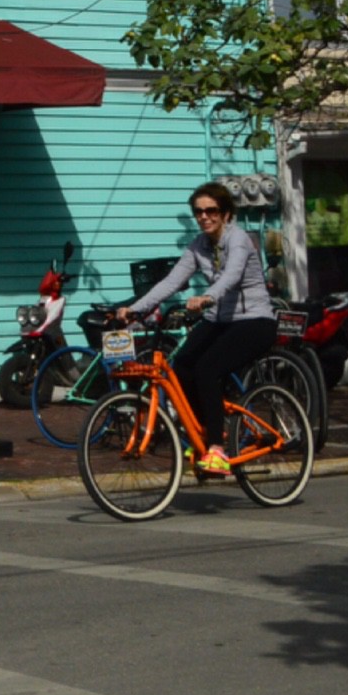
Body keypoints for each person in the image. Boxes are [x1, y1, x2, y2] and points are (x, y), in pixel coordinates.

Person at [112, 181, 275, 476]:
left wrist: (207, 297)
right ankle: (202, 433)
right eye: (198, 212)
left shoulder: (239, 240)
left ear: (225, 214)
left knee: (207, 370)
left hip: (254, 321)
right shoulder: (199, 246)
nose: (204, 217)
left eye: (211, 210)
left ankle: (216, 449)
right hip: (218, 320)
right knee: (182, 367)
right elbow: (170, 282)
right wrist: (136, 309)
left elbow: (231, 277)